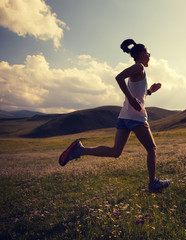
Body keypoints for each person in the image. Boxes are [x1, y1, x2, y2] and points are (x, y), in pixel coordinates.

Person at [59, 39, 170, 193]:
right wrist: (131, 100)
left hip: (124, 116)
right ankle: (153, 184)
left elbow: (137, 93)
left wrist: (149, 91)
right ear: (140, 55)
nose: (150, 56)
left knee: (115, 151)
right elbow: (119, 78)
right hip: (136, 117)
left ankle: (80, 150)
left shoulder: (139, 70)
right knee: (151, 149)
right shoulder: (138, 67)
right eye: (148, 53)